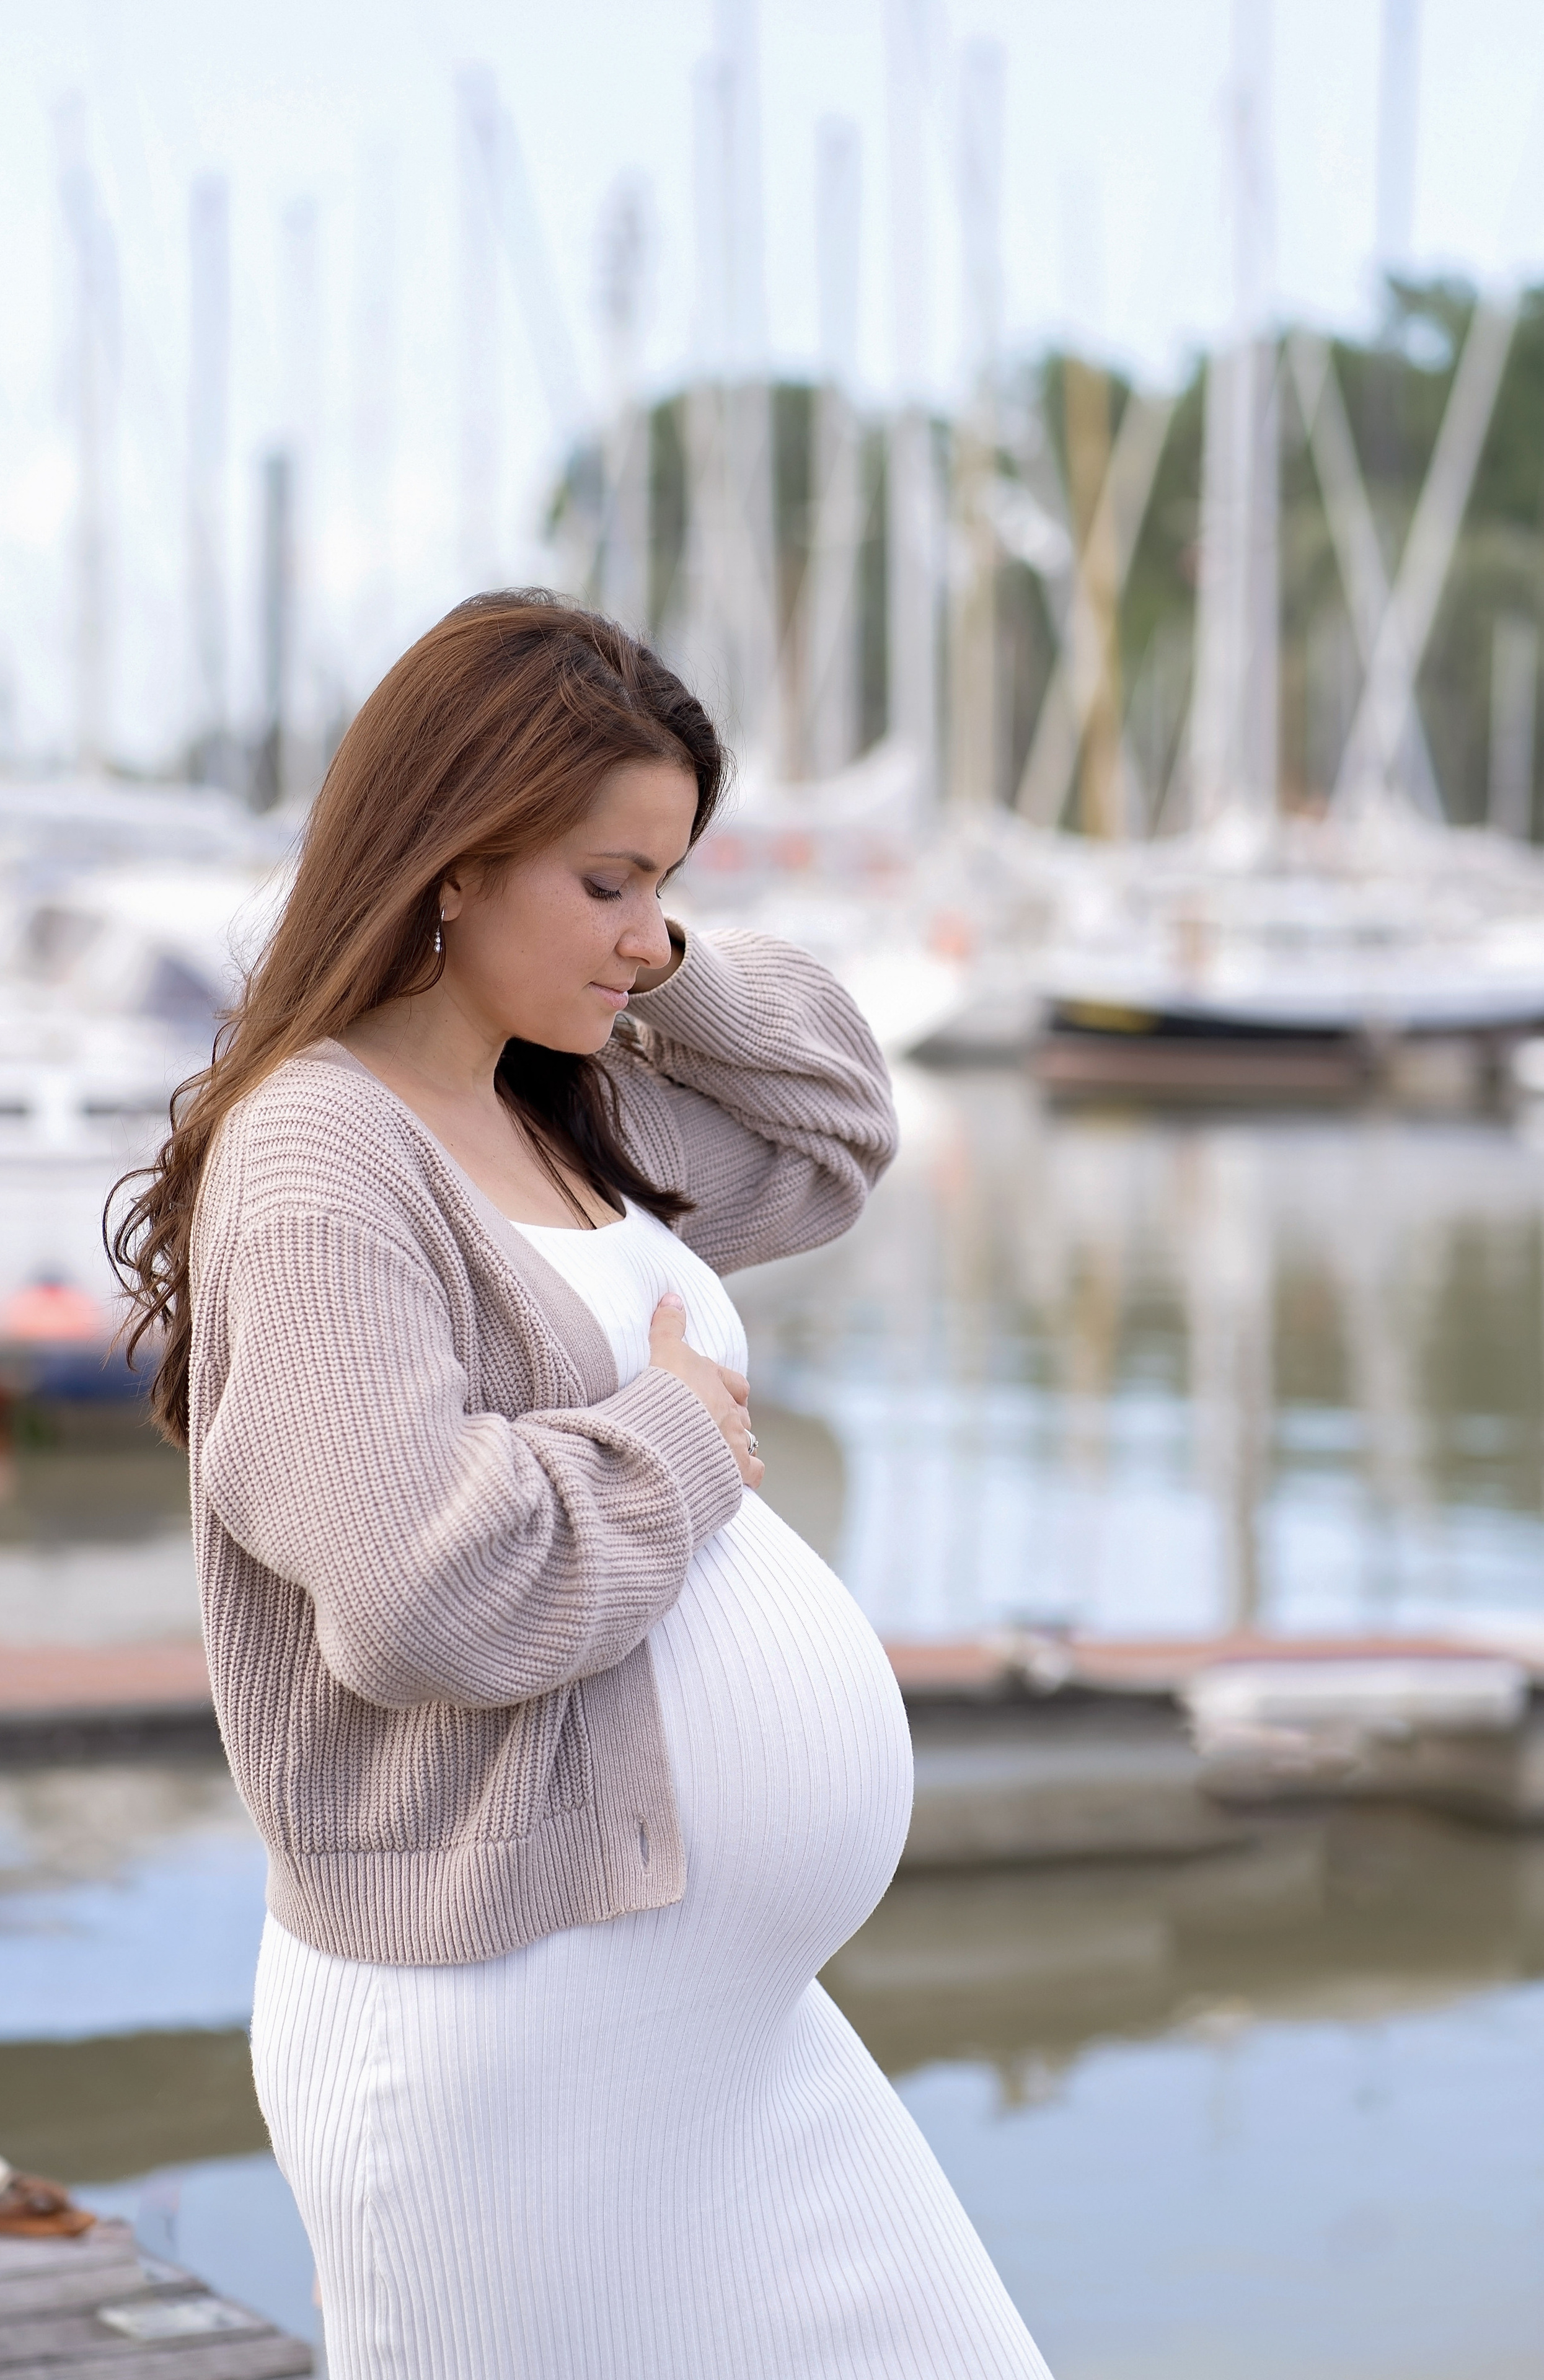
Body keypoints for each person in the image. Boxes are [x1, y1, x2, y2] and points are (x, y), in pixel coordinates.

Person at [112, 593, 1054, 2379]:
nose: (645, 939)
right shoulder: (322, 1160)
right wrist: (682, 1440)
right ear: (453, 862)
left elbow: (837, 1125)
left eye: (667, 883)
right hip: (502, 2042)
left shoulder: (559, 1108)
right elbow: (421, 1595)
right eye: (606, 883)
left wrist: (670, 963)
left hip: (722, 2032)